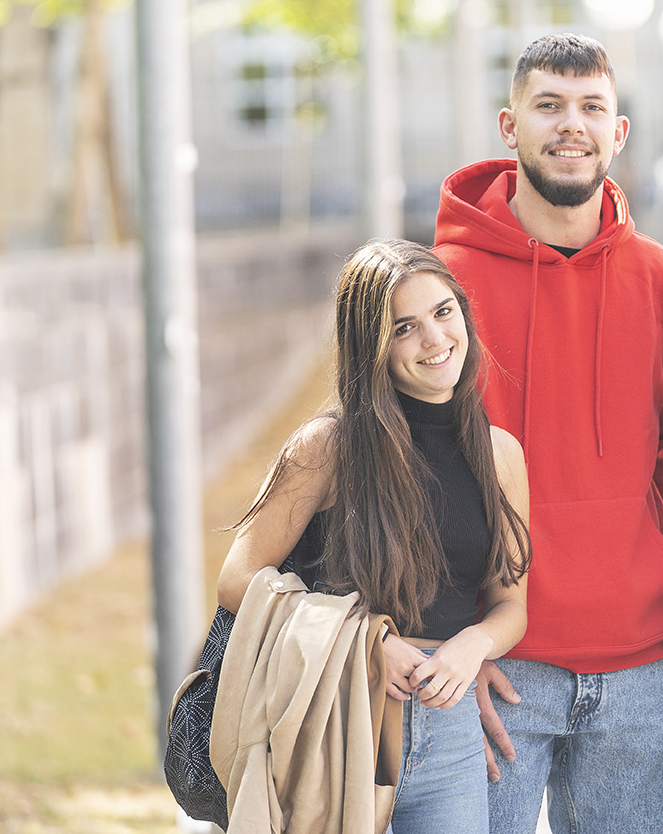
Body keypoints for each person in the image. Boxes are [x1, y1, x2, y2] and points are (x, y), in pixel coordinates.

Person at [433, 32, 663, 833]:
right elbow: (409, 477)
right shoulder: (441, 284)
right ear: (509, 127)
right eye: (547, 105)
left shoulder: (656, 276)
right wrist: (453, 642)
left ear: (618, 133)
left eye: (590, 108)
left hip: (639, 668)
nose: (569, 125)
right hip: (499, 665)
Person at [216, 239, 532, 834]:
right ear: (373, 347)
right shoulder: (327, 449)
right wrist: (364, 640)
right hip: (337, 715)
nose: (435, 340)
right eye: (404, 328)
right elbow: (238, 579)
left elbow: (511, 605)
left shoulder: (499, 456)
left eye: (443, 312)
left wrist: (471, 646)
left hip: (450, 731)